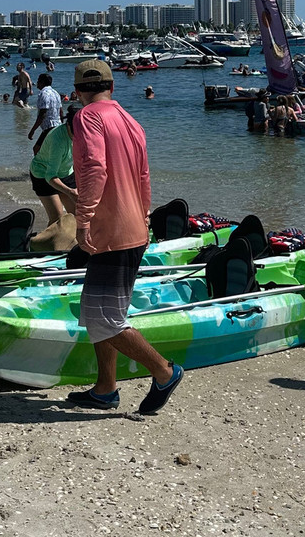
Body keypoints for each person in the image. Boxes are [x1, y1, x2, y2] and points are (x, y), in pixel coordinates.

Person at [67, 60, 183, 414]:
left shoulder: (87, 117)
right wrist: (144, 215)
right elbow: (145, 177)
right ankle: (105, 389)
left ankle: (164, 371)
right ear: (112, 86)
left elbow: (95, 168)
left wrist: (83, 218)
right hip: (132, 227)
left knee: (105, 319)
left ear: (77, 91)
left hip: (111, 230)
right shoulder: (131, 121)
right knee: (96, 313)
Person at [29, 105, 79, 227]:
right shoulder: (58, 140)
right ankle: (48, 245)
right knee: (57, 219)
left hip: (66, 173)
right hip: (43, 175)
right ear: (68, 125)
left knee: (77, 215)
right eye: (75, 134)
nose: (79, 137)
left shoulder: (85, 133)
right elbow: (50, 176)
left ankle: (74, 244)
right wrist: (71, 192)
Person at [28, 73, 63, 153]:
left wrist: (33, 130)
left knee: (37, 149)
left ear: (42, 82)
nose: (37, 83)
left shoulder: (43, 93)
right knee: (50, 149)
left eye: (38, 81)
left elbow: (42, 114)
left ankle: (41, 165)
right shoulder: (56, 93)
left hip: (49, 127)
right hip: (58, 125)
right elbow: (60, 111)